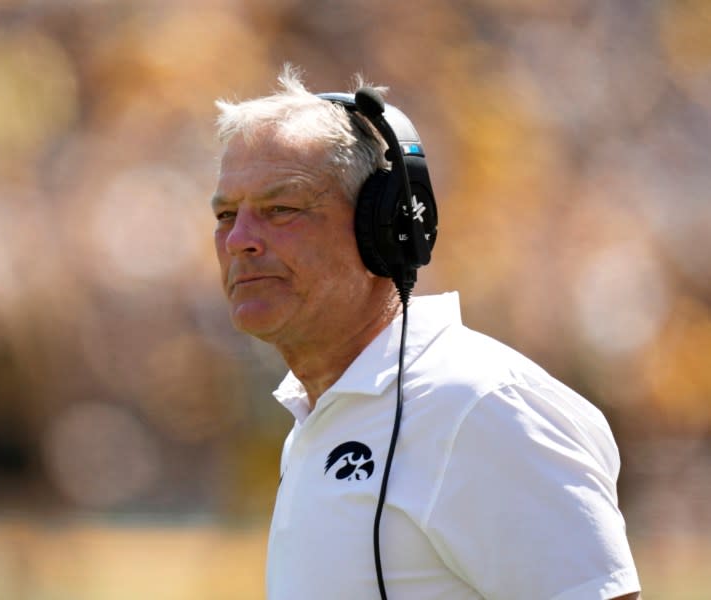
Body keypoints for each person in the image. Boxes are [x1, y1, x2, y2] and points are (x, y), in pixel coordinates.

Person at [211, 64, 641, 600]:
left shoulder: (483, 406)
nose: (239, 241)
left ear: (385, 228)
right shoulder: (322, 416)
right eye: (227, 214)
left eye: (282, 208)